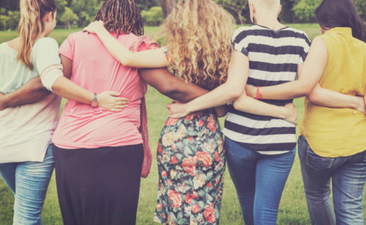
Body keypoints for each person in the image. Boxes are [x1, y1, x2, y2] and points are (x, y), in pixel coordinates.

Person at [165, 0, 365, 224]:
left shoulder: (244, 36)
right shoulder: (300, 40)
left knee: (247, 197)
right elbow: (308, 87)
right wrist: (283, 114)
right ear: (279, 9)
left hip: (240, 138)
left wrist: (188, 106)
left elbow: (234, 91)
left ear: (252, 8)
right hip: (280, 141)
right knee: (267, 211)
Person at [83, 0, 237, 224]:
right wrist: (214, 103)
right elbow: (223, 108)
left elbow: (127, 58)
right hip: (209, 138)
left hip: (177, 136)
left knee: (174, 209)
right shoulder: (225, 54)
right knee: (205, 209)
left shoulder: (177, 51)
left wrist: (99, 29)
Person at [0, 0, 124, 224]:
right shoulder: (45, 45)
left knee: (25, 212)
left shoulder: (1, 51)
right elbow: (53, 82)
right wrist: (96, 98)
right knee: (26, 218)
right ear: (50, 17)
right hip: (35, 147)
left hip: (4, 145)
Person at [242, 0, 366, 224]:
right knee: (351, 209)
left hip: (322, 143)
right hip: (358, 143)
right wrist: (355, 103)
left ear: (324, 23)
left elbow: (310, 90)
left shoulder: (323, 42)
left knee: (318, 195)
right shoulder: (363, 47)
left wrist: (258, 91)